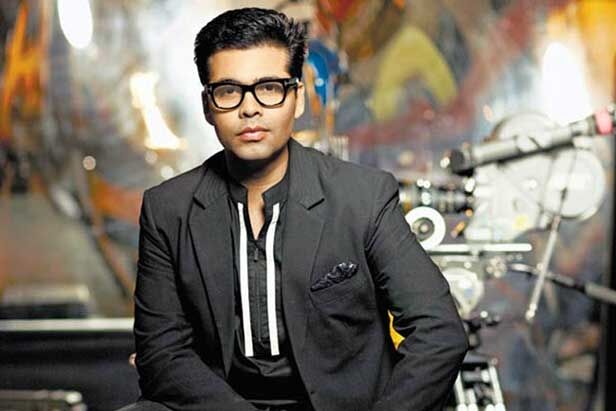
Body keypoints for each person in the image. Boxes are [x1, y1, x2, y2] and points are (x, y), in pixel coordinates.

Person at [128, 7, 468, 411]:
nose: (250, 108)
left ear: (297, 98)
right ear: (208, 105)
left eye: (269, 87)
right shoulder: (169, 209)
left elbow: (439, 332)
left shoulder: (362, 197)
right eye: (229, 91)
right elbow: (161, 352)